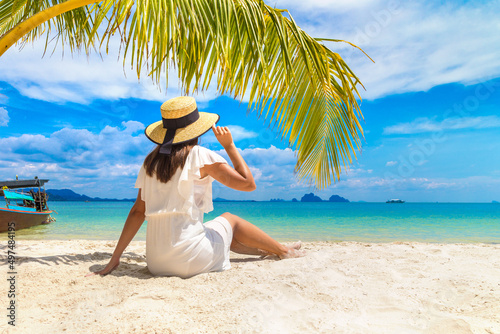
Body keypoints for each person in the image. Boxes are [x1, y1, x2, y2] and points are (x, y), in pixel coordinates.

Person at [90, 96, 304, 279]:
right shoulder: (200, 155)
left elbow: (138, 211)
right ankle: (283, 250)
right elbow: (248, 184)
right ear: (196, 129)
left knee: (216, 232)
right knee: (231, 219)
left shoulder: (150, 162)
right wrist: (229, 146)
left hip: (156, 265)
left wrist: (115, 257)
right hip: (190, 260)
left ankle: (272, 250)